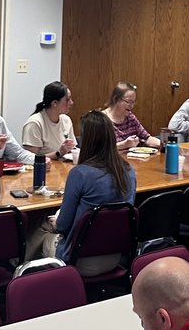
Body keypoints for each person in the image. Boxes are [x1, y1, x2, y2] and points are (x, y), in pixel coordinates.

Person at [49, 112, 136, 275]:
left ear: (87, 140)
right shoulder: (129, 171)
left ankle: (21, 284)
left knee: (38, 234)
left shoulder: (80, 174)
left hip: (79, 259)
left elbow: (62, 226)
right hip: (115, 255)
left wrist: (56, 222)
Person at [20, 81, 77, 160]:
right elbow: (30, 159)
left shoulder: (66, 120)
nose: (71, 102)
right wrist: (59, 153)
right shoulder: (35, 123)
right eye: (67, 100)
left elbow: (72, 149)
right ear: (55, 103)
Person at [102, 82, 161, 151]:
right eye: (128, 101)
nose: (131, 106)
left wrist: (166, 144)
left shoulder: (130, 117)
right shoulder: (101, 119)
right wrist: (124, 145)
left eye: (133, 102)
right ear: (115, 99)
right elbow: (99, 149)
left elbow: (146, 138)